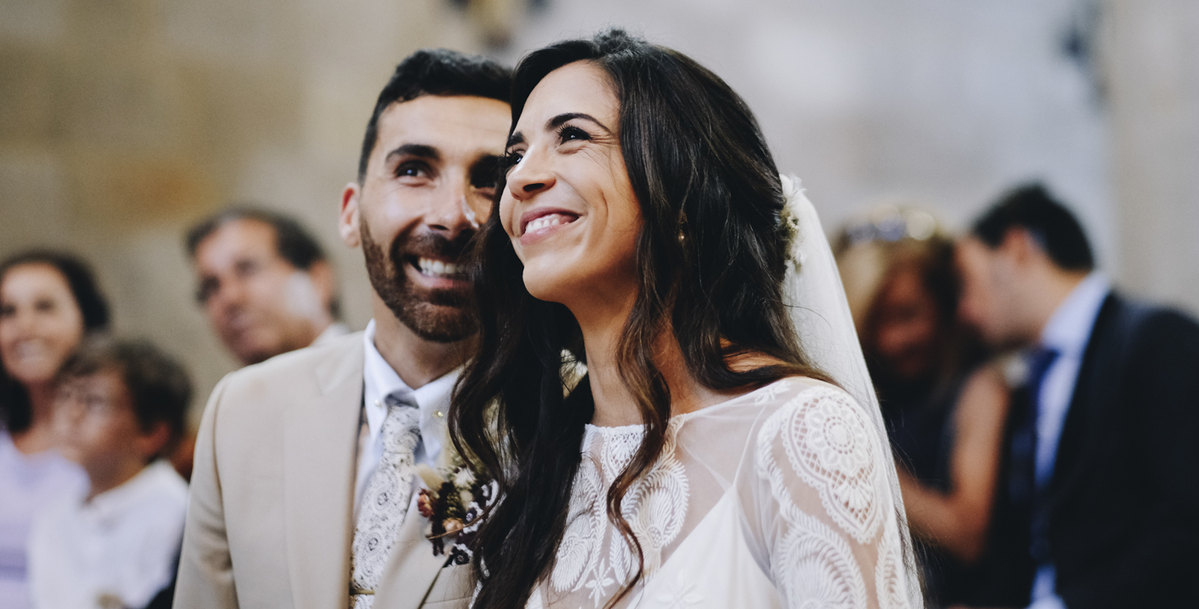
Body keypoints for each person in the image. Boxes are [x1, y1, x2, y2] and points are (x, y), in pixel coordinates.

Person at [450, 30, 923, 609]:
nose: (521, 179)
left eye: (572, 136)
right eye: (515, 155)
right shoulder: (541, 455)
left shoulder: (797, 432)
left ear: (679, 191)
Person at [174, 49, 512, 609]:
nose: (453, 216)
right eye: (413, 170)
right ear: (351, 213)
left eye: (490, 180)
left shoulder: (566, 429)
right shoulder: (243, 410)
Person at [955, 184, 1199, 608]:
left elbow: (1186, 519)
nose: (964, 311)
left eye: (966, 281)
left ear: (1016, 249)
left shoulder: (1155, 339)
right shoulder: (1028, 381)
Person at [835, 209, 1009, 607]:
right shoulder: (862, 388)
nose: (892, 340)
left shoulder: (980, 389)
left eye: (907, 315)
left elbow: (967, 535)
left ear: (944, 305)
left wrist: (865, 464)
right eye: (875, 321)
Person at [27, 338, 192, 609]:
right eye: (64, 396)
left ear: (152, 433)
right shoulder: (53, 517)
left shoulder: (178, 514)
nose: (72, 414)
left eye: (94, 402)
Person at [0, 251, 106, 609]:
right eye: (7, 311)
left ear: (86, 319)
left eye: (44, 307)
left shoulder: (116, 441)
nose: (24, 327)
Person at [186, 208, 349, 367]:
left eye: (247, 269)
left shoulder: (363, 371)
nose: (230, 297)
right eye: (211, 287)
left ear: (317, 279)